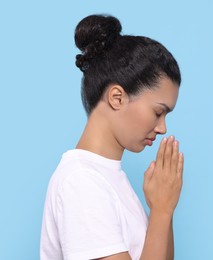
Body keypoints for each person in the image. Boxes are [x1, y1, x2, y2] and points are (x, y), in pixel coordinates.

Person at [40, 14, 184, 260]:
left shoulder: (107, 178)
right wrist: (161, 210)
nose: (162, 128)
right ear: (117, 97)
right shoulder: (81, 182)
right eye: (158, 112)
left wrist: (163, 210)